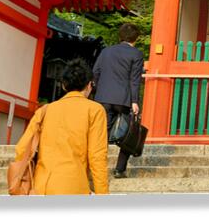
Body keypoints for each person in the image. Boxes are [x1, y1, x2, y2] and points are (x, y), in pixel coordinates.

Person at [15, 58, 109, 195]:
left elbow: (22, 149)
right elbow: (97, 157)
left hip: (40, 186)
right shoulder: (95, 110)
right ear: (89, 85)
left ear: (64, 85)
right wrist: (103, 194)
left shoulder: (44, 110)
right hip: (73, 186)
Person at [93, 22, 145, 179]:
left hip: (103, 97)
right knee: (128, 133)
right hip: (123, 99)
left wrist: (98, 89)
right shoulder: (136, 54)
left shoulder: (106, 51)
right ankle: (119, 169)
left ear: (120, 36)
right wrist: (135, 101)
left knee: (101, 133)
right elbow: (134, 80)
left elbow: (96, 71)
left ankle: (97, 167)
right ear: (135, 38)